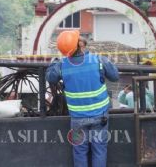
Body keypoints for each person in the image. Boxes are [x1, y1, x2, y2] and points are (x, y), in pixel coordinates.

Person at [46, 30, 119, 167]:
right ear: (80, 45)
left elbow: (50, 77)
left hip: (77, 119)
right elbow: (115, 76)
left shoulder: (62, 65)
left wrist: (54, 62)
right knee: (99, 151)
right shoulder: (98, 60)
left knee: (79, 152)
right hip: (100, 116)